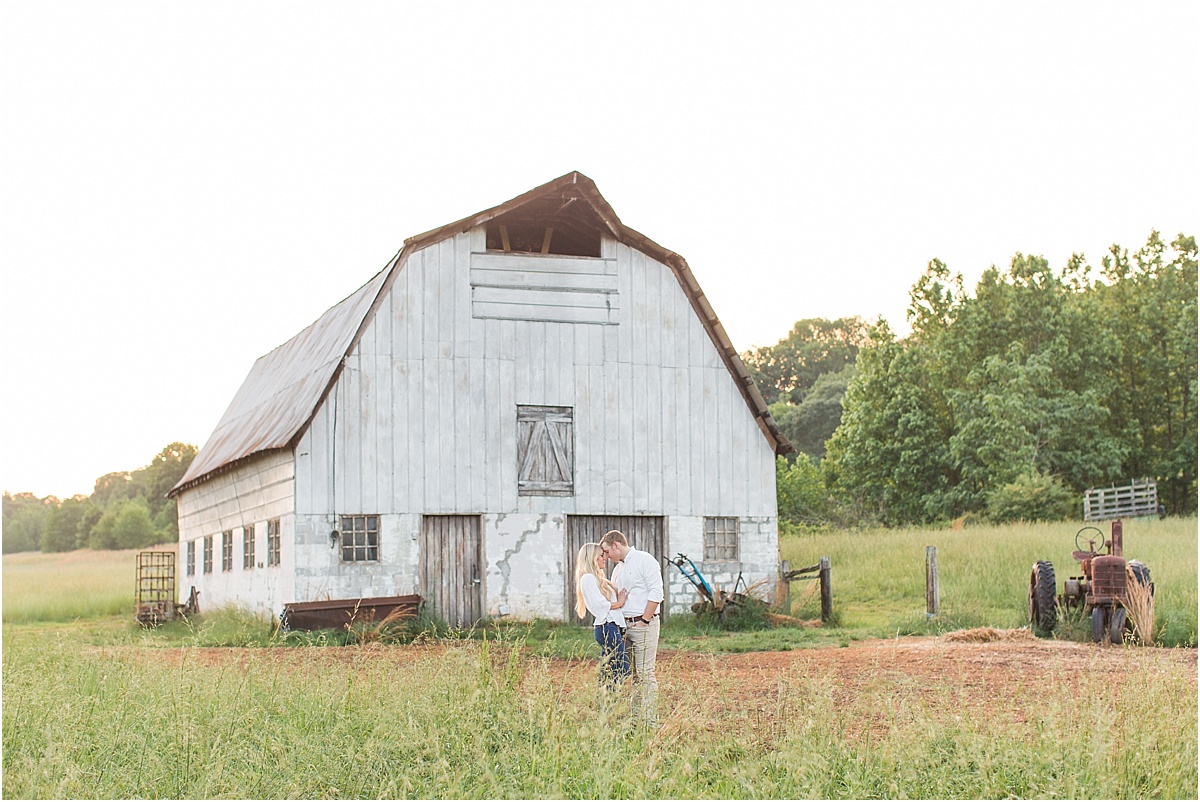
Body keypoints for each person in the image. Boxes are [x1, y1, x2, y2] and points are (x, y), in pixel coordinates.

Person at [599, 529, 664, 728]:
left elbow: (657, 592)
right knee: (629, 674)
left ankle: (650, 722)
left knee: (645, 673)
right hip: (623, 627)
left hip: (643, 624)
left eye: (607, 551)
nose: (606, 557)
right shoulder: (618, 569)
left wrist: (644, 620)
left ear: (616, 545)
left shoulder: (645, 560)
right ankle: (636, 721)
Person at [574, 542, 631, 688]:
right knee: (620, 667)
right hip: (607, 627)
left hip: (612, 627)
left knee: (610, 669)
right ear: (592, 558)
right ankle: (610, 702)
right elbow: (599, 605)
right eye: (601, 555)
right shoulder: (588, 578)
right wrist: (620, 602)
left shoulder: (598, 579)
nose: (604, 558)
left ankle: (607, 705)